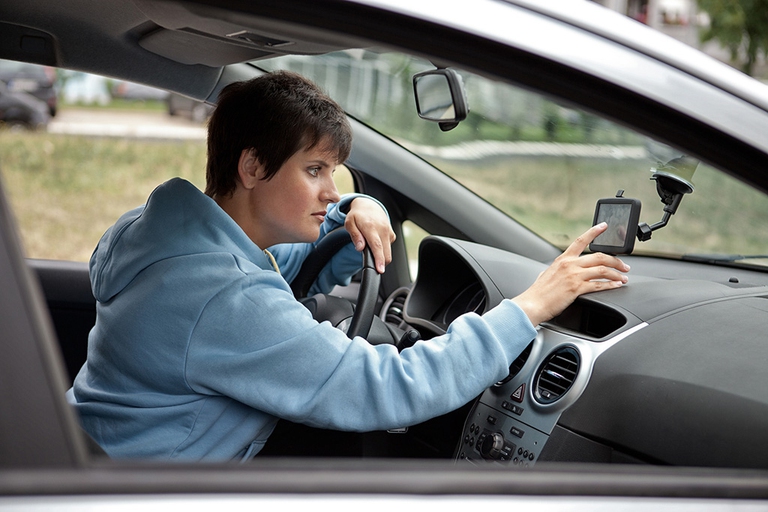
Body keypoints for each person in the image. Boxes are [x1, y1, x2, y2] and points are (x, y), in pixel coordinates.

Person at [66, 71, 629, 461]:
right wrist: (527, 309)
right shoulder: (224, 300)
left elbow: (279, 265)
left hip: (88, 458)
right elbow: (386, 384)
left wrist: (361, 211)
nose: (331, 191)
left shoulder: (161, 237)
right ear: (253, 166)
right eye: (315, 170)